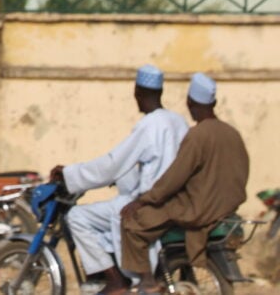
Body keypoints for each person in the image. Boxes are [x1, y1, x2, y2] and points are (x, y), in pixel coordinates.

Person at [49, 65, 188, 293]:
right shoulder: (177, 121)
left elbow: (113, 163)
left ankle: (116, 281)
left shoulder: (148, 125)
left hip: (149, 202)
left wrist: (70, 173)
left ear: (137, 93)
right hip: (172, 200)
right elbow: (157, 164)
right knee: (108, 220)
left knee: (77, 216)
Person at [119, 73, 249, 295]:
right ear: (214, 103)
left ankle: (148, 283)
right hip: (226, 207)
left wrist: (143, 200)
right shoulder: (232, 133)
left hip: (198, 208)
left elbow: (173, 179)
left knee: (132, 223)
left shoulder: (197, 136)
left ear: (189, 103)